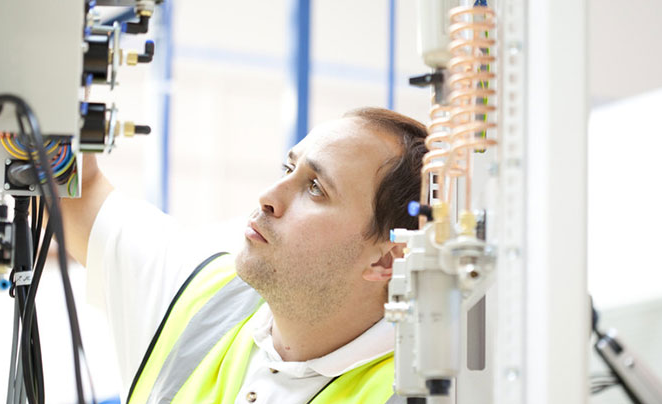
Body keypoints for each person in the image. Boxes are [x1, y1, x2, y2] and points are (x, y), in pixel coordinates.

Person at [60, 107, 429, 403]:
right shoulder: (198, 292)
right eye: (288, 168)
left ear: (385, 260)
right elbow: (72, 188)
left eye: (316, 188)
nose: (269, 196)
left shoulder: (411, 391)